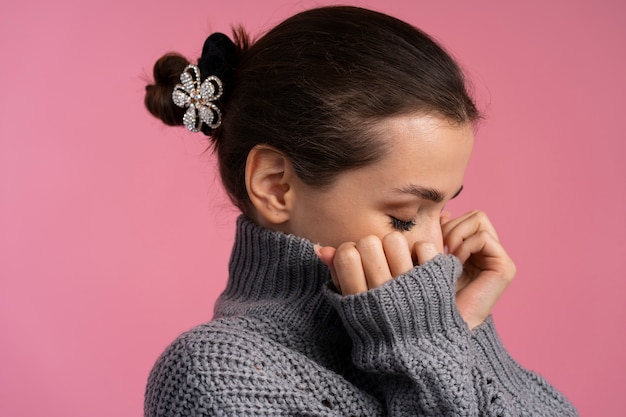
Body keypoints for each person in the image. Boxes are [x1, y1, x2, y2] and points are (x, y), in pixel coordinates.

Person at [143, 5, 578, 416]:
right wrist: (420, 349)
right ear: (275, 186)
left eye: (443, 208)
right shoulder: (212, 376)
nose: (436, 247)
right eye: (404, 216)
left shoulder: (429, 329)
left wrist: (464, 331)